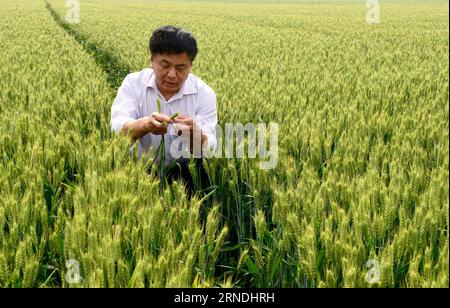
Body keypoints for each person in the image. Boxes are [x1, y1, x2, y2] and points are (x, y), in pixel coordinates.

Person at [110, 25, 217, 197]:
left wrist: (195, 134)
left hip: (185, 175)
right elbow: (118, 131)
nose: (172, 74)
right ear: (151, 60)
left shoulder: (204, 94)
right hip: (138, 170)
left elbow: (210, 149)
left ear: (191, 66)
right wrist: (146, 125)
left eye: (181, 67)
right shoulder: (133, 83)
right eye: (165, 65)